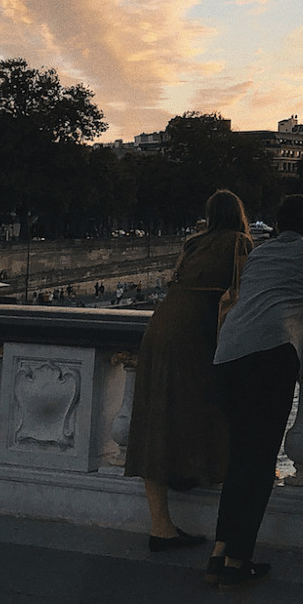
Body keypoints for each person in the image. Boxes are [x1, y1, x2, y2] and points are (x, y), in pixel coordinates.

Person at [208, 193, 303, 590]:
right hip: (270, 357)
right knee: (261, 461)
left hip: (227, 353)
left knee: (238, 459)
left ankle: (218, 554)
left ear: (277, 223)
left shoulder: (258, 255)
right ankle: (238, 561)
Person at [124, 189, 254, 552]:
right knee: (208, 407)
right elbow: (246, 293)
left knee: (156, 416)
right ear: (239, 214)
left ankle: (160, 524)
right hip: (195, 331)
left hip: (161, 324)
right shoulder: (241, 243)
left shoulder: (193, 243)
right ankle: (201, 478)